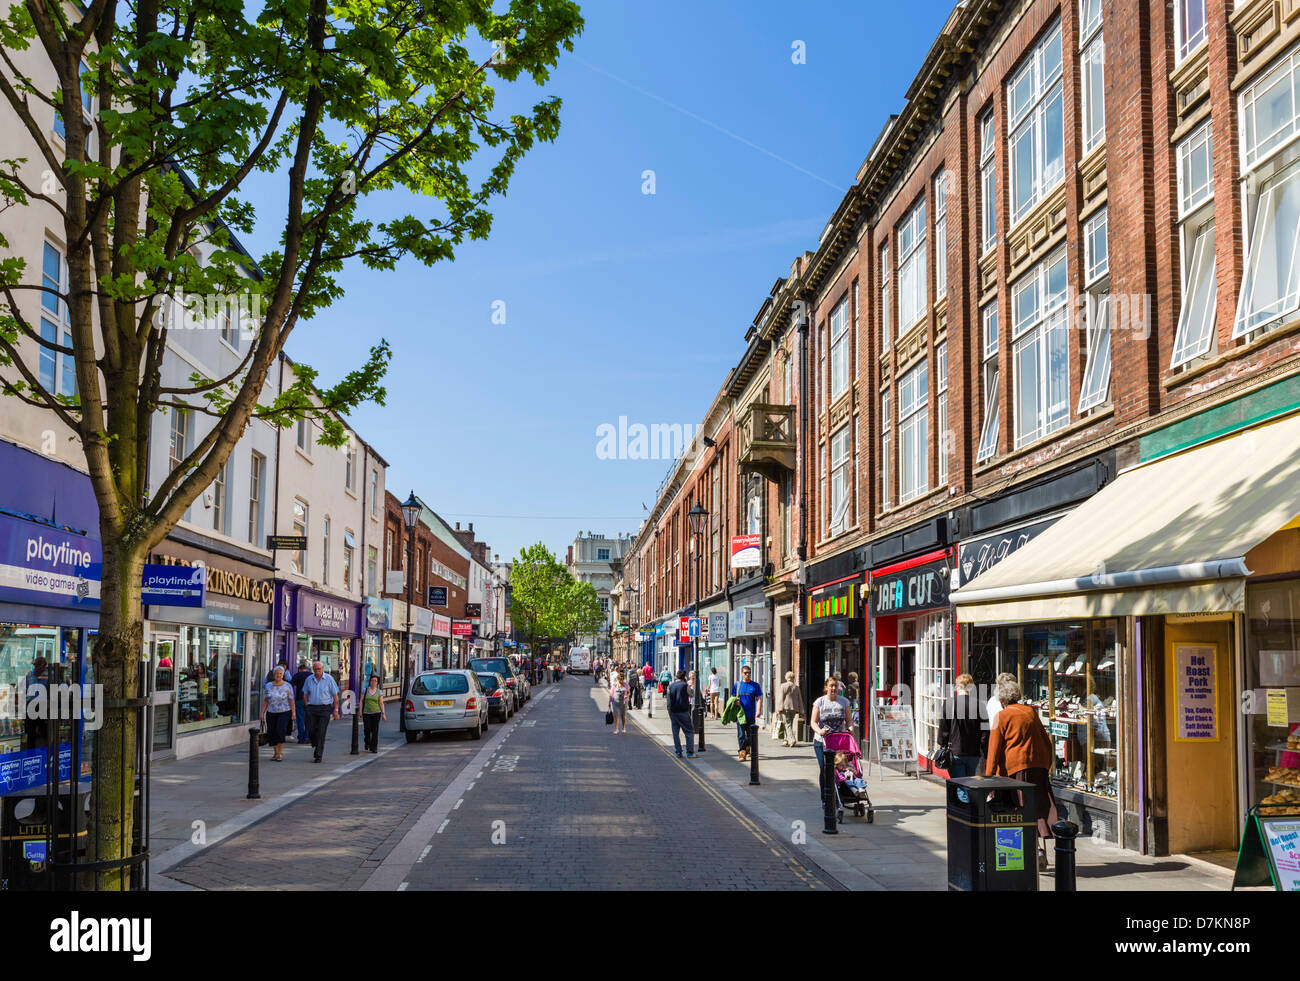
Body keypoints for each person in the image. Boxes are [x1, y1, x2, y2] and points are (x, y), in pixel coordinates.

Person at [985, 676, 1059, 871]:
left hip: (1015, 769)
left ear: (1002, 700)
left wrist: (989, 777)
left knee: (1019, 809)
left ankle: (1032, 851)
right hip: (1038, 767)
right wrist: (1046, 766)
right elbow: (1046, 741)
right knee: (1035, 807)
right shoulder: (1031, 712)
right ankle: (1040, 850)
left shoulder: (1002, 716)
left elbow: (993, 749)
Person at [809, 677, 851, 793]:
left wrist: (850, 729)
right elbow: (813, 722)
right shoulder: (820, 702)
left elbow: (849, 720)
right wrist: (819, 731)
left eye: (835, 686)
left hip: (838, 741)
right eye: (831, 685)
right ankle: (825, 795)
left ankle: (838, 793)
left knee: (839, 767)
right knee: (824, 768)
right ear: (826, 687)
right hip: (821, 741)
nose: (833, 688)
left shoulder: (844, 702)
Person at [937, 673, 983, 777]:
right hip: (973, 752)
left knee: (960, 785)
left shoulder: (949, 704)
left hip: (955, 751)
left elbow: (944, 729)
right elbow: (984, 731)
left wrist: (942, 744)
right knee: (969, 783)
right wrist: (984, 751)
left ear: (957, 686)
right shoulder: (979, 704)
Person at [302, 660, 340, 763]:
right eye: (315, 669)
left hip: (324, 709)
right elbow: (305, 693)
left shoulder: (329, 679)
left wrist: (336, 710)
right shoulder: (309, 679)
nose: (317, 671)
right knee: (310, 729)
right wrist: (306, 704)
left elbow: (335, 695)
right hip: (312, 708)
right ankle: (315, 744)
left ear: (322, 669)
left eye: (319, 669)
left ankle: (318, 755)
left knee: (321, 732)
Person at [260, 665, 296, 762]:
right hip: (271, 712)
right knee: (272, 733)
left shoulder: (287, 686)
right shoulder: (268, 686)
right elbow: (266, 701)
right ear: (273, 674)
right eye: (276, 673)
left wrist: (293, 713)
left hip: (284, 712)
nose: (278, 675)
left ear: (283, 675)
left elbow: (291, 700)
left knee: (280, 731)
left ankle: (280, 753)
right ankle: (275, 753)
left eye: (280, 673)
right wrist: (262, 713)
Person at [733, 664, 764, 762]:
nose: (748, 674)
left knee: (750, 735)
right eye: (746, 673)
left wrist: (758, 711)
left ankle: (747, 747)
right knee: (741, 734)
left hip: (751, 714)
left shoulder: (755, 685)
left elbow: (759, 699)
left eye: (749, 673)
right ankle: (742, 753)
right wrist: (735, 702)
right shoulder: (737, 685)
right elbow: (732, 698)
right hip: (740, 715)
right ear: (742, 674)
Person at [667, 670, 695, 758]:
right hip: (683, 712)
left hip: (673, 712)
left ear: (676, 676)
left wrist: (670, 713)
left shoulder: (670, 686)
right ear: (684, 677)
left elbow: (668, 702)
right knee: (689, 731)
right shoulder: (685, 685)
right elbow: (692, 694)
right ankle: (689, 752)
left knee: (675, 732)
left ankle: (678, 752)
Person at [361, 673, 386, 753]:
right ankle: (367, 742)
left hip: (376, 713)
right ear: (370, 681)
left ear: (377, 683)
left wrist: (383, 713)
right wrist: (360, 711)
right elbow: (361, 701)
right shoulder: (365, 690)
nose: (373, 682)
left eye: (375, 681)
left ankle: (374, 747)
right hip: (366, 713)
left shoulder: (379, 692)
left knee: (375, 730)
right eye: (372, 680)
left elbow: (381, 703)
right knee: (367, 729)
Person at [778, 671, 803, 748]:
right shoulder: (796, 687)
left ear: (786, 677)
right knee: (789, 724)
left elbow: (781, 698)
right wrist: (801, 710)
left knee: (787, 724)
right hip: (794, 708)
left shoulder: (783, 686)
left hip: (785, 707)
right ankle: (786, 740)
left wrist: (779, 708)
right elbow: (800, 699)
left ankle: (792, 739)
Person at [290, 659, 312, 743]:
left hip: (299, 698)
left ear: (299, 669)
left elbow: (290, 685)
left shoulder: (297, 675)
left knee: (300, 719)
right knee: (308, 719)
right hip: (309, 700)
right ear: (306, 669)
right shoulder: (311, 675)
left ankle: (301, 738)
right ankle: (307, 737)